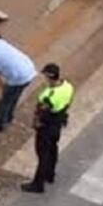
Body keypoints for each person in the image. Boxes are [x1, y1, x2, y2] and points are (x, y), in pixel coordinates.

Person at [21, 63, 74, 194]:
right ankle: (50, 174)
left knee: (42, 154)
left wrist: (36, 122)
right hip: (58, 122)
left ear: (49, 76)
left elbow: (41, 111)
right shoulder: (68, 86)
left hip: (47, 125)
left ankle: (38, 184)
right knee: (53, 149)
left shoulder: (49, 96)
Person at [0, 30, 36, 132]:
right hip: (28, 70)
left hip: (18, 77)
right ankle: (8, 116)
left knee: (4, 101)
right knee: (14, 96)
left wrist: (3, 88)